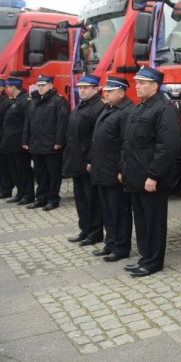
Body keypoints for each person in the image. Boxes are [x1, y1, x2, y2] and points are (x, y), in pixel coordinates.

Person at [121, 66, 181, 277]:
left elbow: (168, 146)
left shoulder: (165, 109)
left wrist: (154, 175)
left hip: (151, 178)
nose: (137, 86)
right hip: (136, 176)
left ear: (154, 85)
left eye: (142, 83)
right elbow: (129, 142)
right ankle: (145, 257)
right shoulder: (141, 107)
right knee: (142, 219)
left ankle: (154, 262)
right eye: (137, 82)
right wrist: (125, 170)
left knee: (154, 222)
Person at [92, 76, 134, 263]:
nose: (105, 93)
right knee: (107, 210)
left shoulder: (126, 111)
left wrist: (121, 169)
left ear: (121, 92)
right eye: (105, 91)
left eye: (109, 91)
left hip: (114, 171)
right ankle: (111, 242)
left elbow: (126, 143)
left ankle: (121, 246)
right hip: (102, 169)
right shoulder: (109, 108)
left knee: (119, 212)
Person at [62, 74, 105, 246]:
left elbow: (95, 138)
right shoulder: (80, 107)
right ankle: (85, 229)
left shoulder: (98, 107)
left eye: (86, 87)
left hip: (87, 163)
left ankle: (95, 233)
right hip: (75, 161)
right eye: (80, 87)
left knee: (92, 200)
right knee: (80, 199)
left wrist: (90, 161)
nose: (82, 90)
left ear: (95, 89)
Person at [22, 74, 69, 210]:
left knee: (53, 174)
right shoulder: (34, 101)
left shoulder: (58, 101)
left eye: (43, 85)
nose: (40, 88)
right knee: (40, 173)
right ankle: (41, 198)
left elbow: (62, 123)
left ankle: (53, 199)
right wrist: (25, 140)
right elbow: (28, 122)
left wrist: (59, 142)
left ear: (51, 85)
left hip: (51, 145)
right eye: (39, 85)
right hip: (36, 144)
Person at [2, 76, 34, 205]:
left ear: (13, 87)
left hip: (19, 142)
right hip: (11, 142)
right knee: (15, 170)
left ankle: (28, 194)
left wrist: (25, 140)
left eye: (8, 87)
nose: (7, 89)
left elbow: (28, 122)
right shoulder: (15, 100)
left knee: (23, 170)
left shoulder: (24, 101)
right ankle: (21, 193)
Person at [0, 76, 15, 200]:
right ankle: (2, 186)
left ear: (1, 88)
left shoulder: (6, 102)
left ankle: (6, 188)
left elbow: (6, 122)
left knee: (3, 167)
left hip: (0, 138)